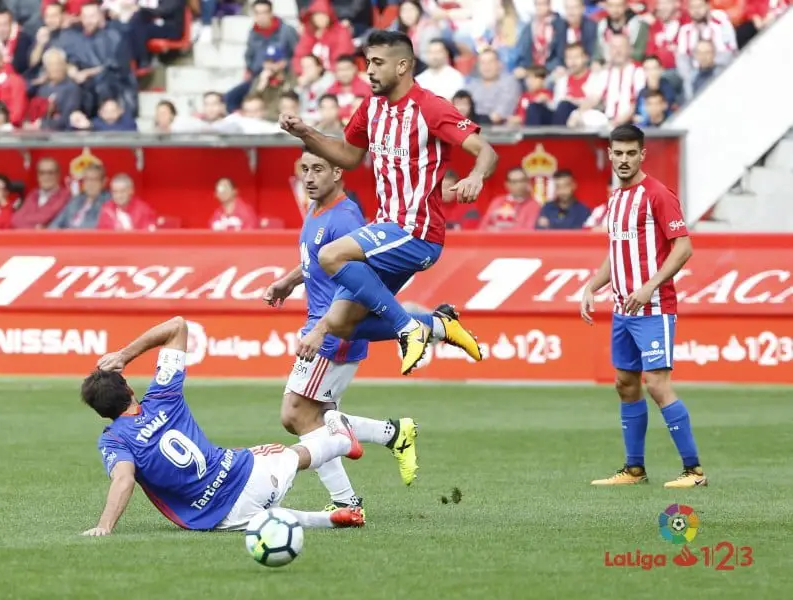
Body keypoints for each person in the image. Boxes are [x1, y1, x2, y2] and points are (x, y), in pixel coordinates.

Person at [279, 29, 495, 375]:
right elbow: (348, 157)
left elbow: (485, 150)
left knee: (331, 254)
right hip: (386, 229)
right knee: (339, 323)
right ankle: (437, 325)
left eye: (378, 62)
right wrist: (305, 133)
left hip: (416, 231)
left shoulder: (431, 108)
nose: (370, 71)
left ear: (403, 66)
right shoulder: (372, 107)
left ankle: (407, 329)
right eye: (368, 62)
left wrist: (476, 176)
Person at [80, 317, 366, 535]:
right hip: (251, 477)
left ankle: (326, 519)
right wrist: (123, 356)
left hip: (215, 517)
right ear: (128, 388)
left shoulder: (114, 439)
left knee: (259, 516)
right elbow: (177, 326)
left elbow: (124, 479)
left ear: (100, 413)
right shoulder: (162, 395)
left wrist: (104, 526)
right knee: (283, 453)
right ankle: (341, 440)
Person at [263, 151, 425, 511]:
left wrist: (324, 329)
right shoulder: (317, 208)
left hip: (333, 329)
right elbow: (317, 257)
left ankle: (355, 488)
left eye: (318, 169)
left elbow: (365, 280)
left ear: (338, 172)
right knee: (312, 418)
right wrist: (290, 281)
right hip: (322, 325)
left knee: (297, 415)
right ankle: (360, 483)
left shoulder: (347, 217)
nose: (309, 177)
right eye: (304, 169)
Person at [580, 124, 705, 489]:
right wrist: (592, 285)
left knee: (658, 384)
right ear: (610, 153)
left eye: (630, 153)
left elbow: (684, 247)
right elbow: (616, 252)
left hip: (654, 308)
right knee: (625, 383)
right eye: (617, 153)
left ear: (642, 154)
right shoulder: (616, 198)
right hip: (623, 309)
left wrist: (651, 285)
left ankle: (694, 471)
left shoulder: (657, 195)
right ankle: (634, 470)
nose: (623, 159)